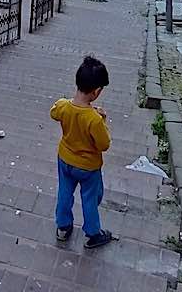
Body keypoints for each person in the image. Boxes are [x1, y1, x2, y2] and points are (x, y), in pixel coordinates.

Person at [50, 56, 116, 249]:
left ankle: (63, 226)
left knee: (64, 192)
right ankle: (93, 233)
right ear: (96, 92)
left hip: (65, 159)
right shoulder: (94, 119)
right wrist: (102, 119)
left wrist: (65, 102)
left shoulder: (64, 106)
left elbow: (54, 112)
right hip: (88, 167)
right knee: (90, 198)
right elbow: (104, 144)